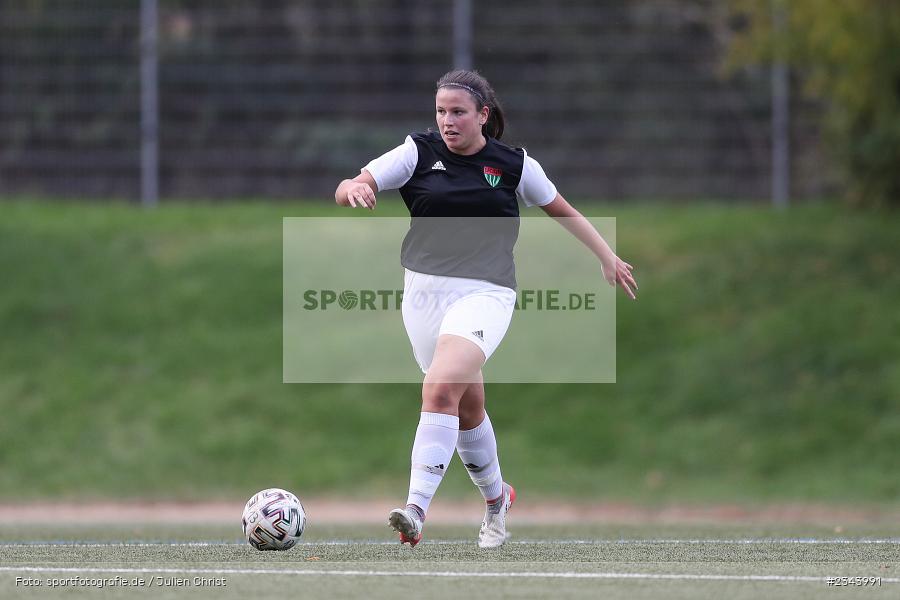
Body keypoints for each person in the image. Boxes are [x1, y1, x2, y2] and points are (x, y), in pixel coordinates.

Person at [334, 70, 637, 549]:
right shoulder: (418, 152)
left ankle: (415, 509)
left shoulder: (514, 165)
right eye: (441, 111)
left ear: (483, 116)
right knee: (467, 408)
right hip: (423, 295)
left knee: (438, 390)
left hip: (486, 293)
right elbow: (354, 180)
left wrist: (607, 256)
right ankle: (498, 500)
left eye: (458, 112)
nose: (448, 121)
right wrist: (354, 187)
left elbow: (564, 209)